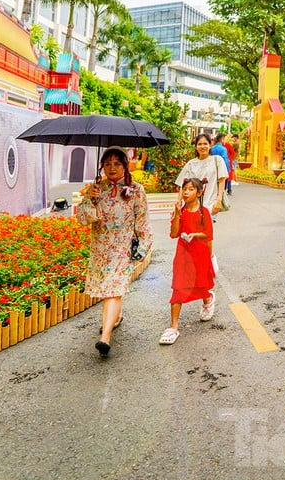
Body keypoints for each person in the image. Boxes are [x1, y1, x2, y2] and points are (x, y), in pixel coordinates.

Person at [75, 147, 153, 357]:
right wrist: (90, 199)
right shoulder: (96, 189)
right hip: (101, 248)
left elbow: (143, 221)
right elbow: (83, 219)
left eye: (117, 164)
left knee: (113, 289)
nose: (111, 168)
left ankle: (105, 337)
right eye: (107, 164)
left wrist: (144, 246)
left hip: (122, 247)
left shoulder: (136, 190)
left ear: (125, 165)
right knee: (111, 289)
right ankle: (115, 319)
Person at [161, 177, 215, 345]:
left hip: (199, 254)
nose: (186, 192)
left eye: (191, 189)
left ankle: (208, 300)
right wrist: (177, 214)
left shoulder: (204, 212)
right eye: (184, 189)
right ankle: (173, 327)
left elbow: (209, 234)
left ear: (199, 193)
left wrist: (195, 235)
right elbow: (174, 233)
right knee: (178, 287)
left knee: (201, 284)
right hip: (183, 256)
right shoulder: (181, 211)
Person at [175, 133, 227, 216]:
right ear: (196, 147)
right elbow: (183, 184)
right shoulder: (191, 164)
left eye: (205, 144)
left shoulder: (217, 160)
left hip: (211, 205)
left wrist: (219, 200)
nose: (202, 147)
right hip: (192, 207)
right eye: (199, 144)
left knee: (207, 228)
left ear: (210, 145)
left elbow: (222, 181)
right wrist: (179, 200)